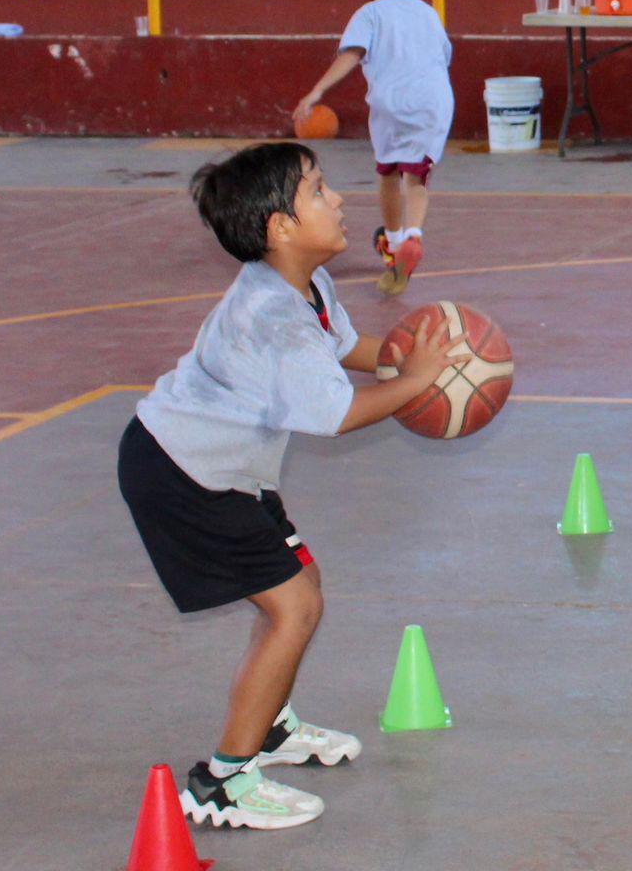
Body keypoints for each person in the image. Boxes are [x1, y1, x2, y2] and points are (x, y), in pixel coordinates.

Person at [116, 143, 452, 830]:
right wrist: (416, 385)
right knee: (294, 610)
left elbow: (342, 351)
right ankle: (223, 782)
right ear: (281, 227)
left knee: (303, 587)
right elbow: (338, 414)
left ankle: (268, 730)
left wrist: (399, 357)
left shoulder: (300, 284)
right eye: (319, 191)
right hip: (184, 474)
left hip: (220, 467)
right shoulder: (273, 317)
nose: (339, 199)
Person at [295, 0, 453, 294]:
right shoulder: (428, 12)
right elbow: (444, 55)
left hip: (389, 103)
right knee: (417, 177)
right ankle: (414, 234)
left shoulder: (368, 15)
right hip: (432, 100)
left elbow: (351, 54)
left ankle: (394, 242)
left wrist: (317, 91)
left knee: (389, 171)